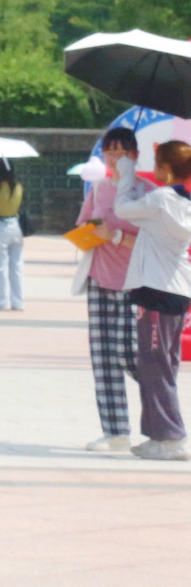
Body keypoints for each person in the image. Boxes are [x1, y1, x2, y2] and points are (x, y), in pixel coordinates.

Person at [114, 138, 191, 461]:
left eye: (157, 163)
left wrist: (126, 172)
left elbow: (122, 209)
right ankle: (158, 435)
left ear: (166, 169)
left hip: (157, 292)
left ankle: (171, 438)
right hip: (175, 290)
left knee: (155, 366)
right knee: (161, 365)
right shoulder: (182, 201)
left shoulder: (161, 199)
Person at [77, 125, 147, 452]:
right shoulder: (99, 190)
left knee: (128, 352)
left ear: (135, 155)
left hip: (135, 284)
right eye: (109, 152)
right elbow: (84, 225)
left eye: (121, 152)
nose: (114, 158)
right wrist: (90, 232)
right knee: (103, 357)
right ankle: (115, 431)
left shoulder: (147, 193)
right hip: (99, 280)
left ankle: (161, 402)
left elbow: (153, 242)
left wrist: (116, 236)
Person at [0, 158, 27, 312]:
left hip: (0, 225)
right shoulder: (18, 186)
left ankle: (2, 302)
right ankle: (18, 302)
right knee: (17, 265)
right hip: (15, 225)